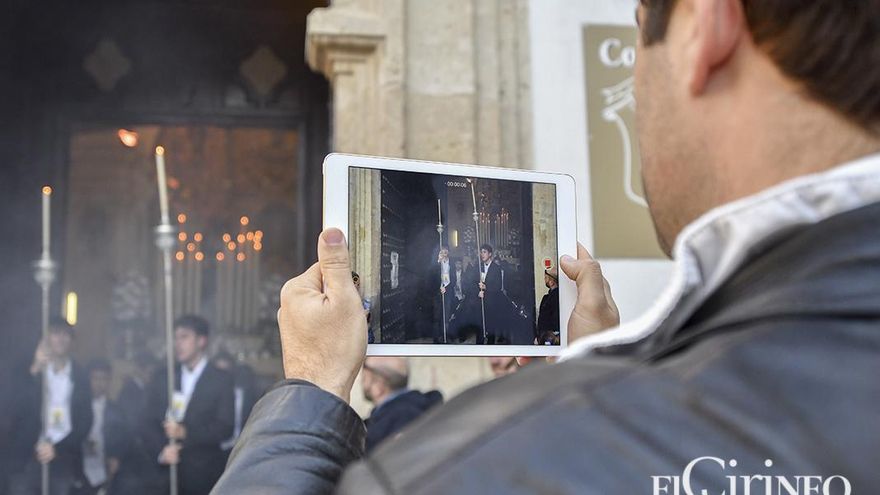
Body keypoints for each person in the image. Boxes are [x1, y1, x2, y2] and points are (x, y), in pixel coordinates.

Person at [213, 0, 880, 492]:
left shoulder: (492, 462)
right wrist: (588, 371)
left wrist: (311, 386)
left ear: (705, 25)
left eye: (638, 32)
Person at [144, 315, 233, 495]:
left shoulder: (220, 380)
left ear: (201, 341)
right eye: (175, 338)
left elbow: (225, 427)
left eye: (184, 337)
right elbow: (147, 421)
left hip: (203, 476)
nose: (178, 343)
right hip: (165, 477)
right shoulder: (164, 376)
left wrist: (186, 433)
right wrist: (161, 451)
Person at [8, 318, 93, 495]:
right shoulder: (28, 371)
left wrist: (58, 449)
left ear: (72, 340)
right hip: (28, 456)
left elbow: (85, 421)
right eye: (55, 333)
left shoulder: (80, 375)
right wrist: (34, 370)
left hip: (64, 456)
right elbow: (13, 409)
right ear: (44, 339)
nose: (61, 339)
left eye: (66, 334)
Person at [360, 357, 442, 453]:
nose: (360, 382)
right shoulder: (420, 409)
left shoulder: (398, 421)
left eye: (364, 378)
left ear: (378, 387)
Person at [110, 353, 159, 495]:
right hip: (133, 452)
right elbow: (131, 423)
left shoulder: (147, 390)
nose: (151, 376)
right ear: (140, 370)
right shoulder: (129, 391)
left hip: (143, 454)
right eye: (149, 372)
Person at [79, 360, 129, 494]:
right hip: (80, 469)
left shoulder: (116, 410)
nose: (99, 383)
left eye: (104, 379)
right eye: (95, 378)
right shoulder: (78, 408)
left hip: (105, 468)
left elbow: (123, 438)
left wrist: (116, 456)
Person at [213, 351, 258, 455]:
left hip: (241, 449)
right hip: (215, 450)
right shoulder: (207, 396)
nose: (222, 378)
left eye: (225, 372)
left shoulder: (243, 394)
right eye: (218, 373)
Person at [429, 247, 457, 343]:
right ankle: (436, 338)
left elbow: (454, 279)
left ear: (448, 252)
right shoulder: (436, 263)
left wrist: (447, 288)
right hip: (438, 293)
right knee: (437, 315)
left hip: (448, 292)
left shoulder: (452, 264)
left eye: (446, 251)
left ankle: (445, 336)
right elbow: (431, 278)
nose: (444, 254)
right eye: (442, 252)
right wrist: (437, 262)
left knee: (447, 315)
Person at [476, 244, 503, 343]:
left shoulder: (496, 268)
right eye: (481, 252)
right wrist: (478, 291)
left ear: (490, 254)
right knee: (479, 327)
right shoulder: (478, 267)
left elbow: (498, 286)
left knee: (491, 327)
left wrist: (486, 287)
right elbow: (473, 282)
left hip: (492, 303)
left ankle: (490, 346)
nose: (482, 254)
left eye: (484, 252)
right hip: (480, 302)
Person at [535, 267, 560, 345]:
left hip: (551, 337)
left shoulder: (556, 296)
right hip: (544, 336)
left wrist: (555, 334)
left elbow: (556, 316)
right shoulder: (547, 297)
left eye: (546, 277)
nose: (545, 279)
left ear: (552, 282)